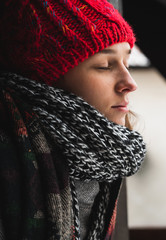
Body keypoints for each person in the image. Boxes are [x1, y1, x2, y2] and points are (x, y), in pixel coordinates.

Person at [0, 0, 146, 239]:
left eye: (127, 64)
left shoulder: (105, 157)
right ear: (44, 81)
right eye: (104, 66)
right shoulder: (10, 160)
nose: (130, 83)